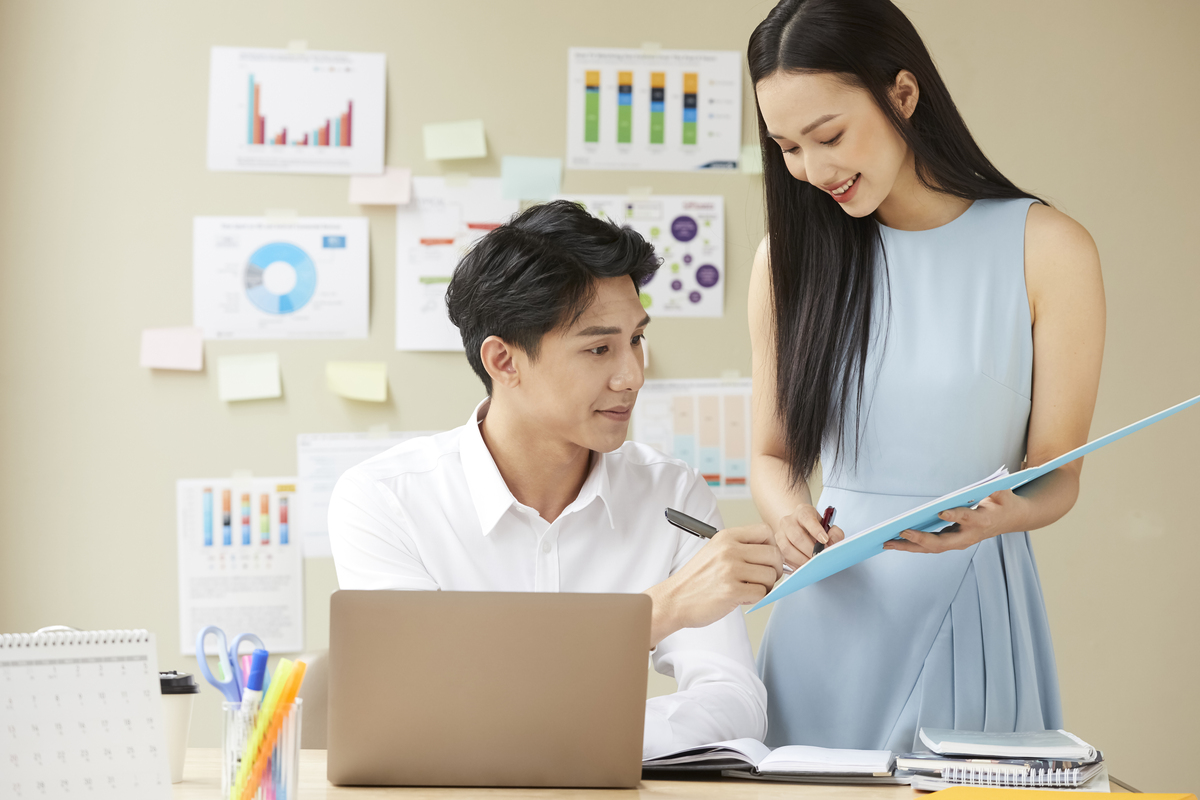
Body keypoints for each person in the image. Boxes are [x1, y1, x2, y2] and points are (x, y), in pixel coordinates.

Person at [745, 0, 1105, 752]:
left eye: (829, 136)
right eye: (788, 148)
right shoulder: (788, 261)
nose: (813, 171)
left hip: (968, 593)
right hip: (828, 608)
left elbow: (1057, 473)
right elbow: (772, 455)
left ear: (903, 94)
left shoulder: (1048, 248)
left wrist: (1002, 517)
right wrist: (788, 518)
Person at [328, 200, 783, 758]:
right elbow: (424, 712)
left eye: (636, 340)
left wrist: (555, 736)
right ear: (504, 362)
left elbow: (733, 703)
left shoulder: (672, 495)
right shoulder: (385, 501)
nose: (632, 376)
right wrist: (651, 614)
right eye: (599, 348)